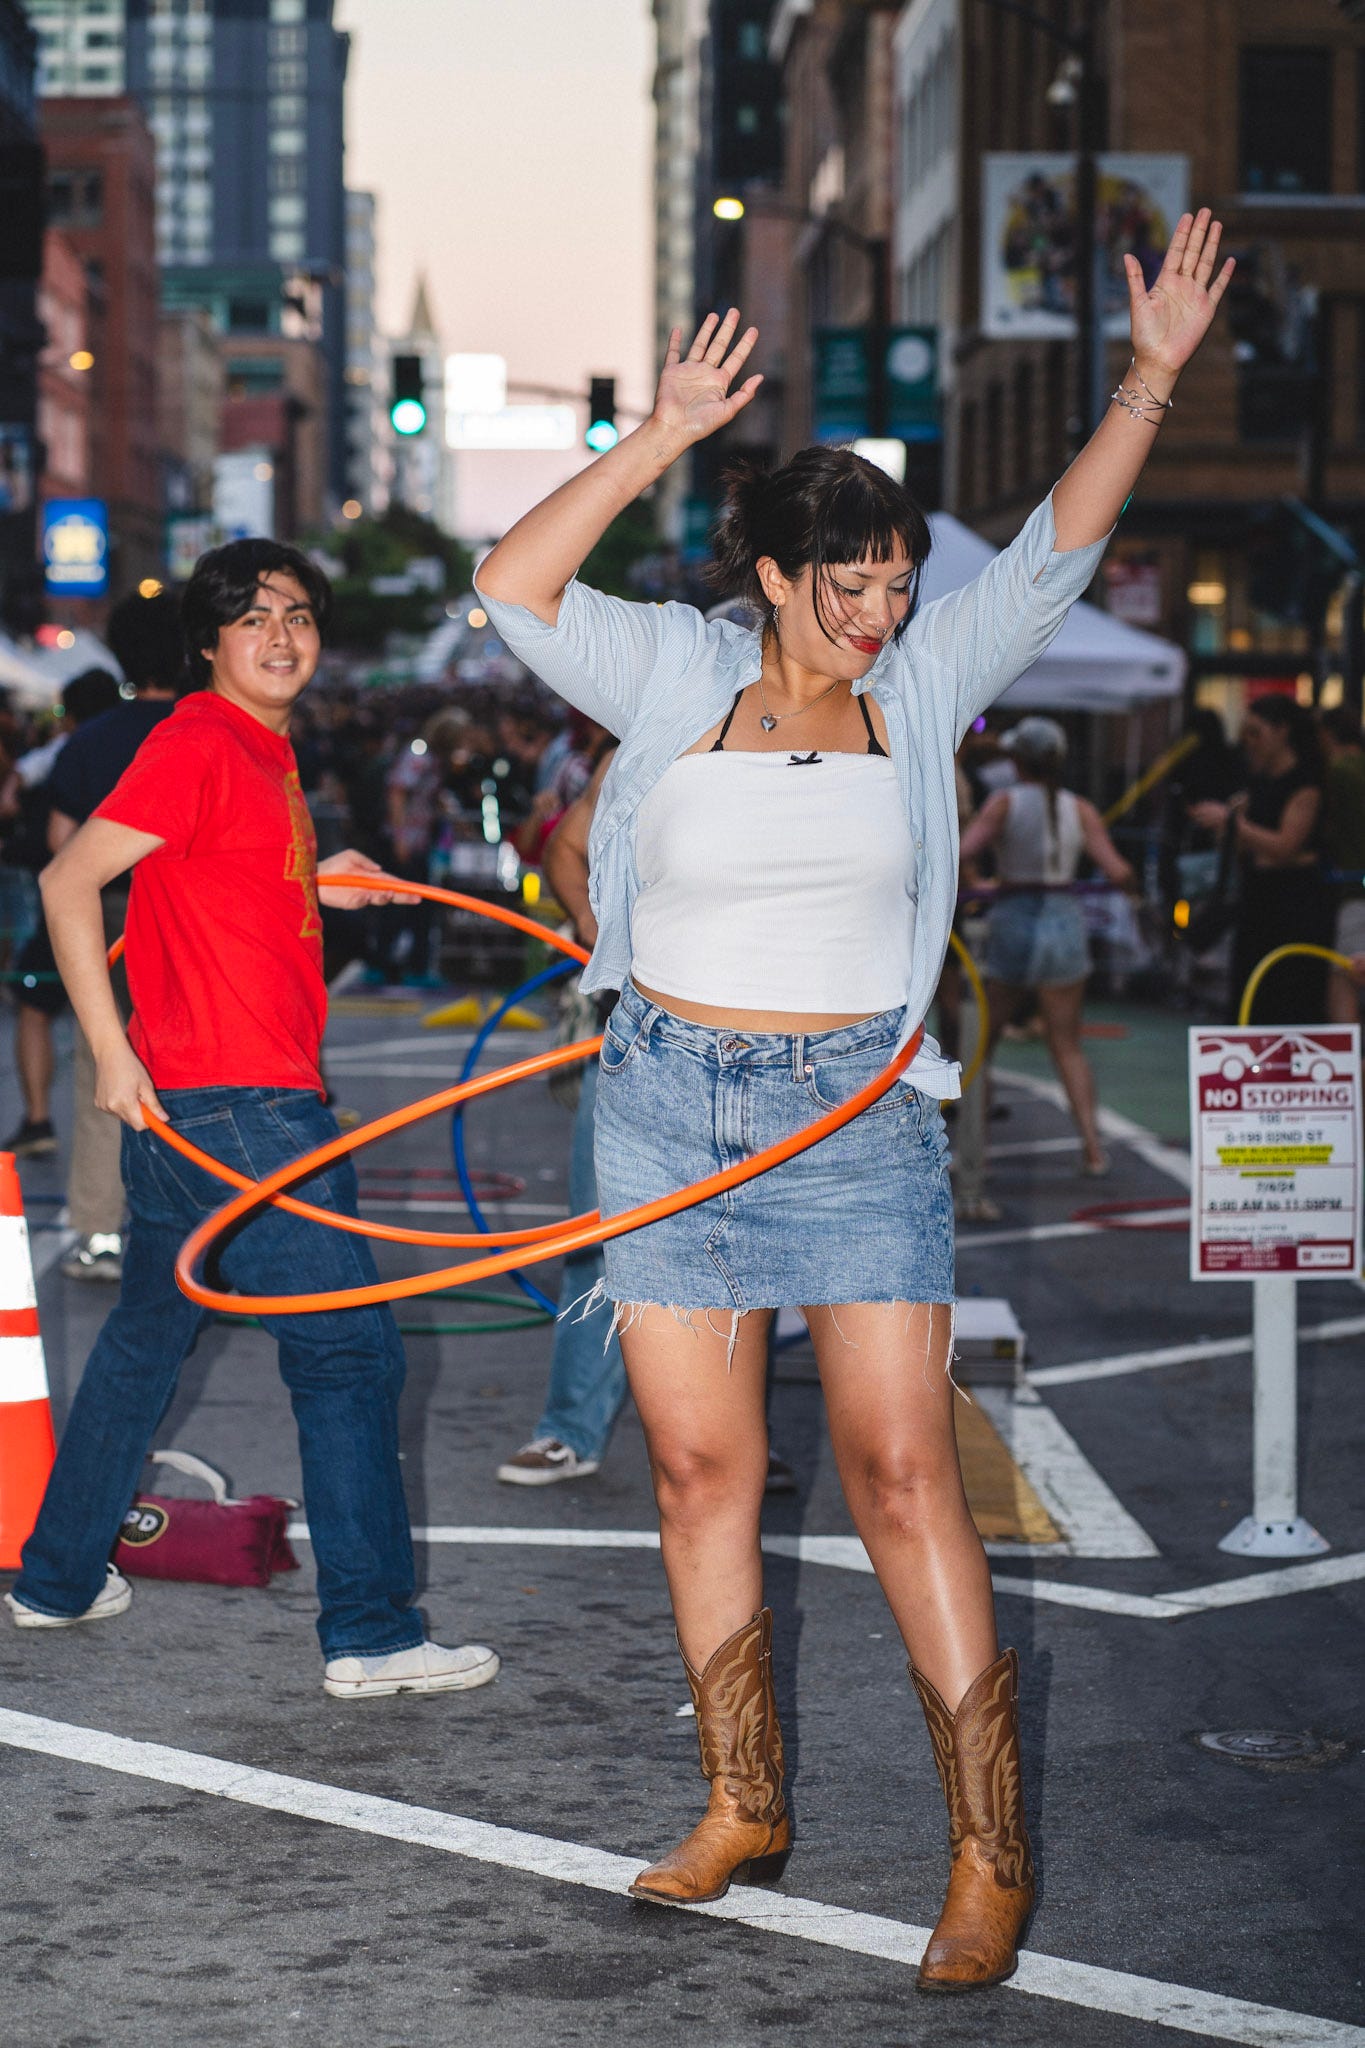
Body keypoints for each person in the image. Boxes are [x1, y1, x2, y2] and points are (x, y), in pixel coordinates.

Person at [474, 211, 1232, 1988]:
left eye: (896, 582)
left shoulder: (928, 681)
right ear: (772, 574)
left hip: (857, 1116)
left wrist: (1149, 379)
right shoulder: (672, 666)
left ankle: (988, 1853)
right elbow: (508, 586)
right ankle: (742, 1799)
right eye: (852, 584)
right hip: (667, 1102)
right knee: (697, 1471)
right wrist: (660, 433)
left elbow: (1056, 550)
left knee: (902, 1471)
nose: (884, 611)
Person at [5, 539, 499, 1704]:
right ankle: (371, 1631)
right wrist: (111, 1052)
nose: (281, 635)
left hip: (200, 1112)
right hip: (244, 1108)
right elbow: (68, 882)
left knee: (142, 1340)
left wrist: (320, 877)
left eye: (298, 615)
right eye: (253, 617)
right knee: (350, 1353)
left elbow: (212, 883)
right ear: (210, 641)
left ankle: (59, 1575)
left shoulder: (259, 751)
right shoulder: (201, 740)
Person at [44, 593, 186, 1280]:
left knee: (103, 1061)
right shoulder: (205, 731)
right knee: (200, 1067)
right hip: (190, 919)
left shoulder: (91, 737)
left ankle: (100, 1231)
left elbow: (59, 843)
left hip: (105, 917)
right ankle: (207, 1235)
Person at [959, 717, 1134, 1179]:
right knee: (1067, 1045)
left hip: (1015, 918)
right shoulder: (1080, 808)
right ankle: (1093, 1150)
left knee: (984, 1044)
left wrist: (984, 882)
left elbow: (962, 851)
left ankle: (976, 1154)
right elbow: (1118, 871)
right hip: (1064, 922)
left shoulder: (1004, 803)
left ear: (1017, 760)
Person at [3, 668, 122, 1163]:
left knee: (38, 1005)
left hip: (82, 898)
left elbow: (55, 838)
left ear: (70, 716)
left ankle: (37, 1118)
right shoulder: (166, 734)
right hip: (151, 900)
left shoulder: (74, 747)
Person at [1191, 695, 1333, 1024]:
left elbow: (1286, 846)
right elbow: (1249, 848)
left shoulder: (1305, 783)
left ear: (1282, 731)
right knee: (1251, 996)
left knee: (1290, 996)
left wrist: (1233, 823)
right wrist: (1229, 830)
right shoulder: (1256, 782)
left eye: (1256, 733)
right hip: (1259, 898)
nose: (1250, 742)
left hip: (1295, 901)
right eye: (1246, 733)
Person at [1317, 707, 1365, 1025]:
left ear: (1327, 734)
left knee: (1343, 976)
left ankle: (1348, 1051)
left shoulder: (1338, 772)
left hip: (1354, 888)